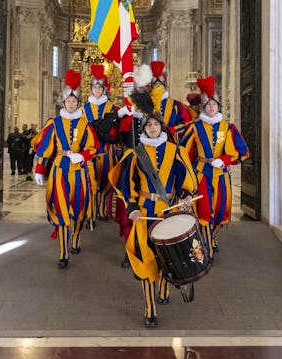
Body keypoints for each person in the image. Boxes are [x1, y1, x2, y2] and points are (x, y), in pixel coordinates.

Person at [109, 89, 197, 328]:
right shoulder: (135, 154)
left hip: (169, 208)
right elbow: (127, 184)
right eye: (148, 126)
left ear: (162, 127)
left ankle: (164, 287)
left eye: (156, 125)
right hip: (145, 211)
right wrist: (132, 207)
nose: (152, 128)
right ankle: (150, 310)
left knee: (167, 254)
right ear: (144, 128)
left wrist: (187, 195)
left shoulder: (175, 151)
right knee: (147, 257)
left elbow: (185, 178)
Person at [31, 70, 99, 268]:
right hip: (59, 170)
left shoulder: (85, 123)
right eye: (68, 101)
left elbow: (93, 148)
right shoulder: (55, 122)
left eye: (74, 101)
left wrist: (82, 156)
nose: (71, 104)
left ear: (78, 103)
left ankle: (76, 238)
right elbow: (45, 147)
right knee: (62, 211)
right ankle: (63, 253)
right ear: (64, 103)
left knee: (78, 208)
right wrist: (39, 169)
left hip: (79, 171)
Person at [179, 76, 249, 259]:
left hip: (221, 175)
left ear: (218, 106)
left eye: (214, 104)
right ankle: (207, 250)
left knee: (221, 211)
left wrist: (224, 160)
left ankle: (212, 235)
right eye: (208, 105)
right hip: (202, 174)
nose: (211, 107)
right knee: (204, 210)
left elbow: (240, 152)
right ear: (203, 107)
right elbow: (183, 152)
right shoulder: (194, 127)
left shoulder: (227, 127)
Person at [83, 64, 120, 224]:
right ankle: (90, 211)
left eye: (100, 87)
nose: (97, 89)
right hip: (89, 151)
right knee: (91, 181)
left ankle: (102, 210)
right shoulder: (83, 108)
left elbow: (118, 127)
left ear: (104, 89)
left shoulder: (112, 107)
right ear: (91, 88)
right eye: (95, 87)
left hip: (107, 150)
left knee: (106, 180)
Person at [147, 61, 194, 136]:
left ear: (164, 87)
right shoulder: (144, 103)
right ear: (151, 87)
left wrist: (171, 130)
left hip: (170, 141)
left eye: (160, 84)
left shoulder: (175, 104)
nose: (158, 86)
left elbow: (187, 123)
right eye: (155, 84)